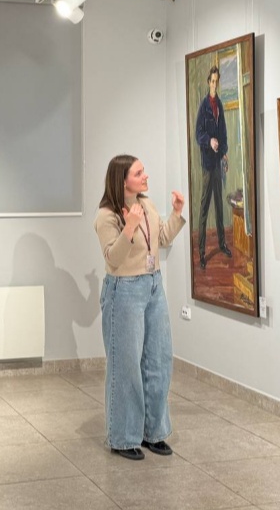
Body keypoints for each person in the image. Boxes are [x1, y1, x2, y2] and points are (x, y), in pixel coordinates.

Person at [94, 155, 185, 461]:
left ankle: (153, 432)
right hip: (124, 289)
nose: (146, 176)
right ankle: (123, 437)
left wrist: (176, 214)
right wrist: (128, 227)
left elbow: (161, 239)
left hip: (153, 285)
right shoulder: (106, 216)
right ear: (122, 181)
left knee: (158, 360)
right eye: (138, 173)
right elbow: (113, 258)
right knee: (126, 366)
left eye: (143, 171)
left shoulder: (147, 205)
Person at [195, 65, 232, 269]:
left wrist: (224, 152)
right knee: (204, 208)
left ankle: (222, 244)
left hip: (218, 162)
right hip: (208, 164)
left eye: (217, 81)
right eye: (212, 81)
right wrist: (209, 141)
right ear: (208, 82)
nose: (215, 84)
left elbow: (223, 133)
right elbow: (198, 134)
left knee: (219, 205)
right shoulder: (204, 106)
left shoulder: (219, 105)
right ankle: (201, 253)